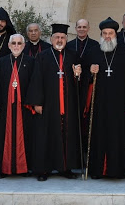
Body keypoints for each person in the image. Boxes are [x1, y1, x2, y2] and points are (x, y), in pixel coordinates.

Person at [28, 24, 83, 181]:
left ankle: (66, 168)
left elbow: (80, 81)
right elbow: (36, 80)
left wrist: (78, 75)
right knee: (46, 136)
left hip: (68, 105)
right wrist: (37, 103)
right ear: (51, 39)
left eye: (63, 37)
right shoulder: (43, 56)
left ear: (66, 39)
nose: (60, 40)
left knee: (67, 136)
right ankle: (44, 170)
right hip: (49, 105)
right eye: (57, 37)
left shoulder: (73, 56)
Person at [83, 17, 125, 179]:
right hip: (99, 104)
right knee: (98, 135)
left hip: (119, 104)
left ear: (115, 34)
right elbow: (83, 78)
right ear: (101, 35)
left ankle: (118, 171)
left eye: (110, 33)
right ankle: (97, 170)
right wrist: (90, 72)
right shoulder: (93, 52)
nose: (107, 36)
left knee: (118, 137)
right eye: (104, 33)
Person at [0, 33, 36, 178]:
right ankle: (4, 169)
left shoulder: (31, 62)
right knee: (3, 138)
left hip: (24, 108)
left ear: (24, 46)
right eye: (13, 43)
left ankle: (24, 168)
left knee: (25, 137)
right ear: (8, 45)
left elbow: (34, 84)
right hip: (5, 108)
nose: (16, 46)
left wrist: (32, 103)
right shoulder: (2, 62)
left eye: (19, 43)